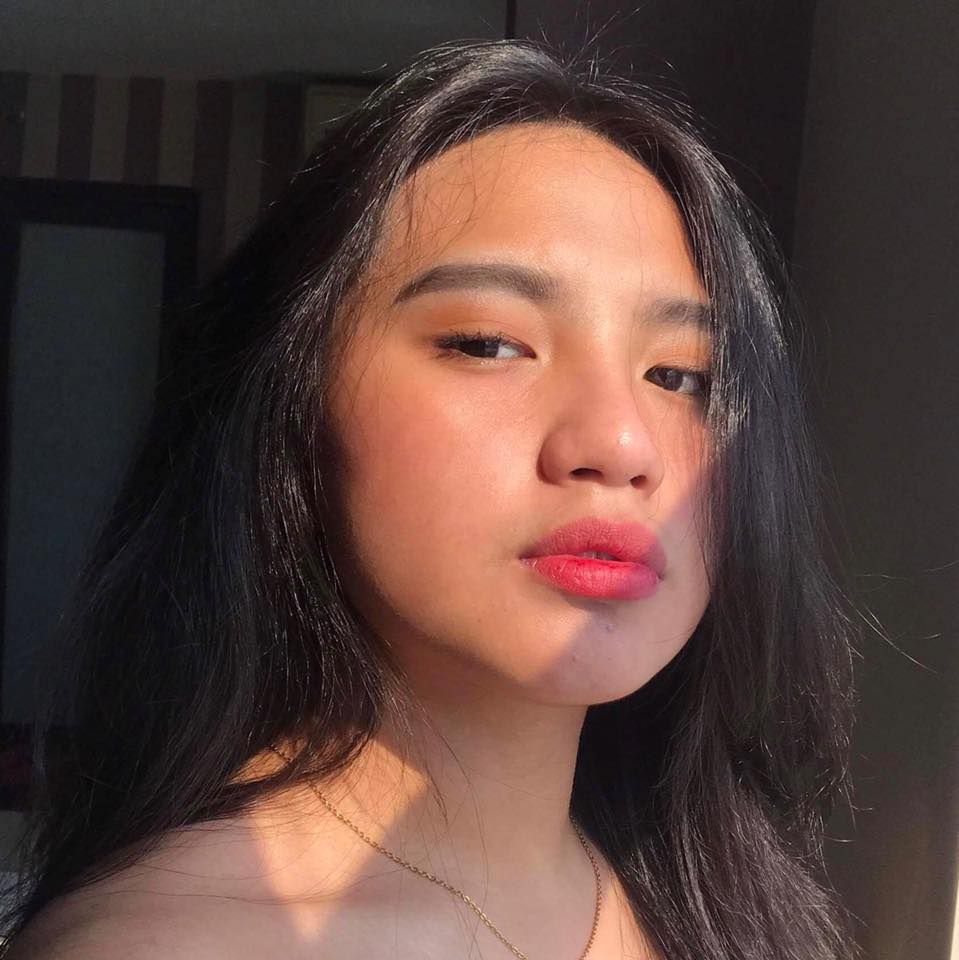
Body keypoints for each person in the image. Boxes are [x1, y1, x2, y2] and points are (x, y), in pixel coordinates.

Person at [0, 38, 860, 960]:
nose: (620, 444)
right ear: (291, 407)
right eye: (489, 344)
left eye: (678, 376)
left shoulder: (721, 899)